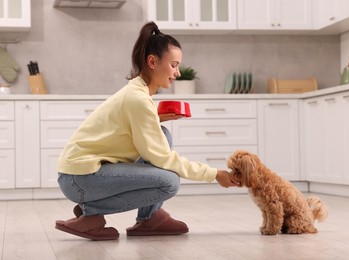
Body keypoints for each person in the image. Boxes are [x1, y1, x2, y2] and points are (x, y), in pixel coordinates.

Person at [55, 21, 239, 241]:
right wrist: (214, 174)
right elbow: (161, 158)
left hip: (83, 174)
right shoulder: (138, 99)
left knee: (163, 134)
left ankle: (149, 218)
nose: (177, 72)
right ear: (152, 61)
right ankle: (91, 214)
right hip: (79, 178)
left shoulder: (138, 92)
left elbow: (126, 128)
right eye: (173, 65)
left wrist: (155, 119)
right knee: (169, 182)